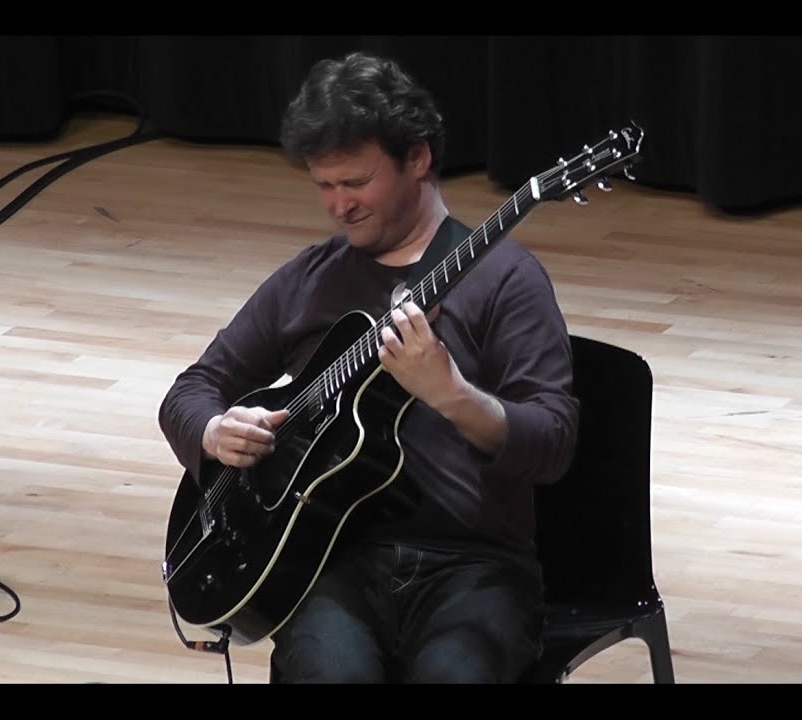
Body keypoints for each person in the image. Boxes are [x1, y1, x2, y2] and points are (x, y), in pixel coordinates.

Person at [158, 51, 579, 683]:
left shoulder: (505, 279)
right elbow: (191, 391)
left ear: (418, 158)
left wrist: (453, 395)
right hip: (331, 561)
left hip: (474, 567)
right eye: (324, 186)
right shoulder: (312, 278)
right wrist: (215, 434)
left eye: (356, 183)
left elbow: (553, 443)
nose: (338, 206)